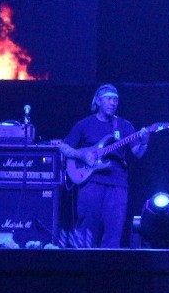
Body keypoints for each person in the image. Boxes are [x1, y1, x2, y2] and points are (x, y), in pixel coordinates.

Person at [58, 84, 149, 248]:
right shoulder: (85, 124)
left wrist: (144, 141)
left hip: (118, 183)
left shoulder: (124, 125)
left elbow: (138, 153)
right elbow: (63, 147)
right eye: (108, 99)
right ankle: (82, 263)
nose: (113, 103)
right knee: (86, 231)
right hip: (91, 181)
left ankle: (109, 264)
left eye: (115, 100)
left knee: (114, 231)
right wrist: (81, 155)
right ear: (98, 101)